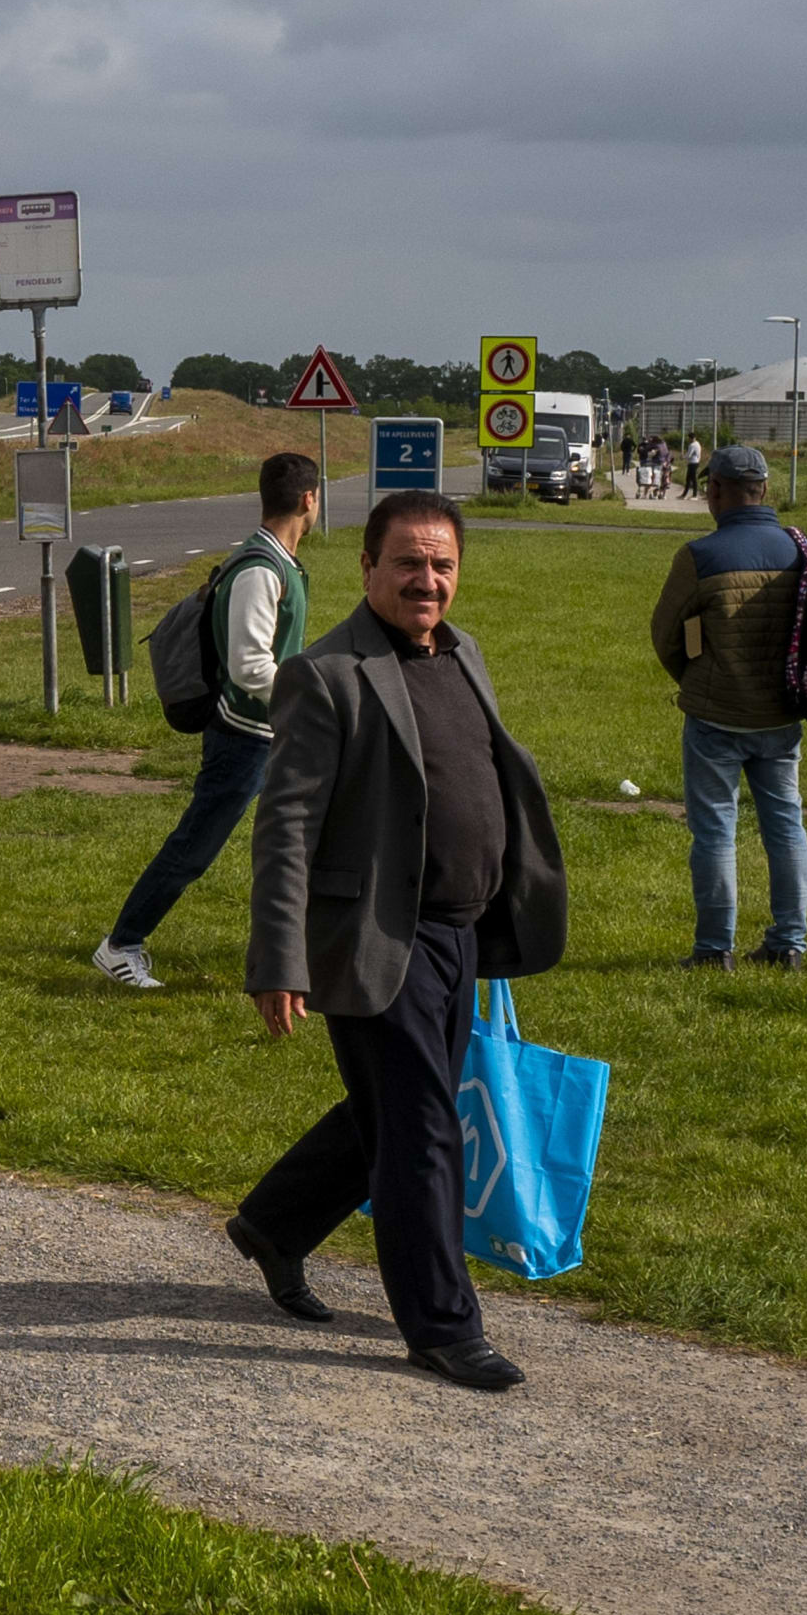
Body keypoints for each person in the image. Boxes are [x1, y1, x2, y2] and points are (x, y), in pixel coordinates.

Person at [228, 488, 566, 1393]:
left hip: (461, 932)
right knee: (422, 1126)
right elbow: (285, 826)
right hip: (378, 934)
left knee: (395, 1104)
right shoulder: (328, 672)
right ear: (367, 567)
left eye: (443, 564)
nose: (427, 580)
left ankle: (275, 1222)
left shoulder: (462, 655)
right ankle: (442, 1326)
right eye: (408, 563)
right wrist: (279, 958)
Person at [90, 452, 317, 990]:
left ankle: (305, 950)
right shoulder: (262, 569)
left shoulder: (274, 559)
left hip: (272, 732)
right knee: (195, 847)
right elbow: (249, 666)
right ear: (310, 499)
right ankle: (120, 944)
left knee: (300, 841)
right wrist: (313, 693)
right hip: (243, 737)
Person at [650, 443, 807, 968]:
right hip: (782, 715)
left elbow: (665, 635)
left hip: (716, 717)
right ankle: (788, 943)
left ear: (713, 491)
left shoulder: (700, 556)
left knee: (716, 831)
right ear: (764, 490)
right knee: (786, 826)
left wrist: (694, 680)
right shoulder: (800, 548)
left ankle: (713, 948)